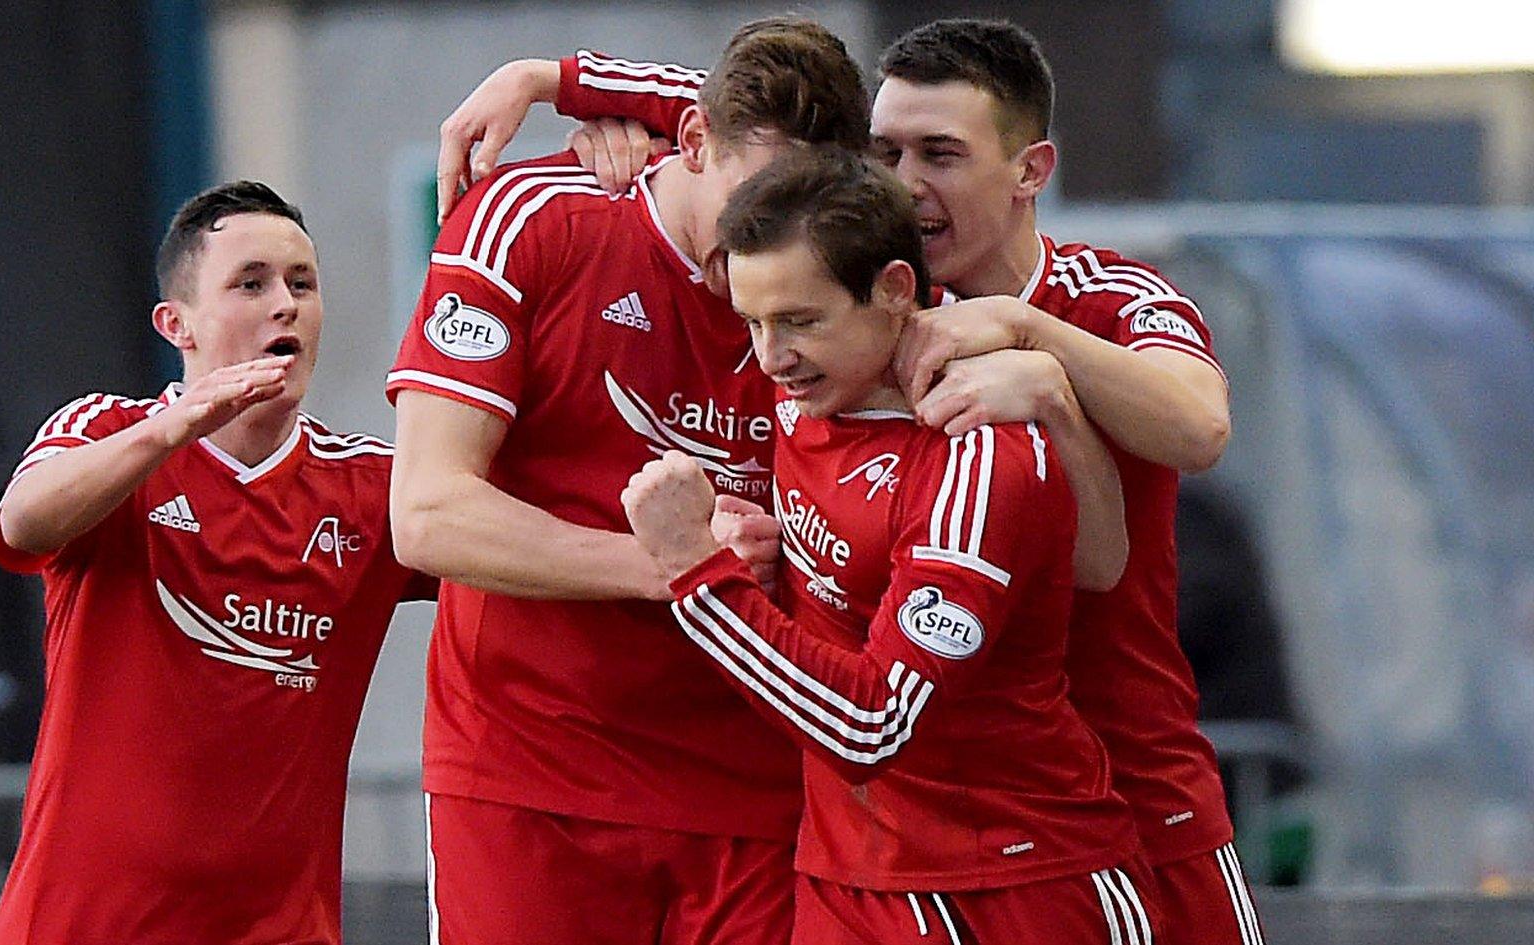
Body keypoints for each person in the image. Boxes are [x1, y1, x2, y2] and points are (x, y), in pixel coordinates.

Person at [440, 18, 1261, 944]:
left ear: (1031, 169)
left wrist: (1044, 354)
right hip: (873, 850)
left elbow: (1196, 433)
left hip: (1116, 805)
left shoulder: (1105, 303)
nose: (909, 181)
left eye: (942, 153)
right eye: (887, 150)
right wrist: (559, 78)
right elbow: (756, 117)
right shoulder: (848, 328)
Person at [387, 18, 875, 945]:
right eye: (754, 198)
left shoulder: (837, 273)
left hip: (752, 786)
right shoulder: (532, 219)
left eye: (801, 209)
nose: (773, 240)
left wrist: (555, 77)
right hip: (532, 771)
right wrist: (673, 565)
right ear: (689, 142)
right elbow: (427, 514)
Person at [623, 145, 1151, 945]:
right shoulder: (805, 392)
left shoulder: (975, 450)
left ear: (895, 291)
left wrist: (697, 572)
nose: (772, 357)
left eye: (801, 320)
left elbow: (872, 723)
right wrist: (558, 85)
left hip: (1012, 883)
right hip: (849, 878)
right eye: (754, 322)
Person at [0, 181, 435, 944]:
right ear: (177, 324)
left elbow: (507, 541)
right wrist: (175, 428)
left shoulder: (373, 490)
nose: (284, 304)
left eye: (302, 283)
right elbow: (23, 522)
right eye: (250, 284)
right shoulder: (110, 431)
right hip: (80, 925)